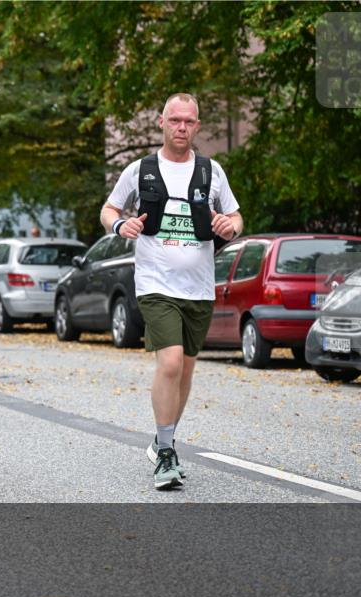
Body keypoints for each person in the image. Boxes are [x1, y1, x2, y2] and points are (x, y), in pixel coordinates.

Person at [101, 92, 243, 491]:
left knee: (186, 371)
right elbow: (109, 209)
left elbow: (235, 216)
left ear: (197, 126)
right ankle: (166, 453)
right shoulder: (139, 170)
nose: (182, 127)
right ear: (161, 122)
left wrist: (230, 227)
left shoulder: (211, 171)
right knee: (170, 364)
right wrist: (119, 226)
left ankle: (163, 441)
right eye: (175, 120)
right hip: (156, 285)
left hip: (199, 288)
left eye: (189, 121)